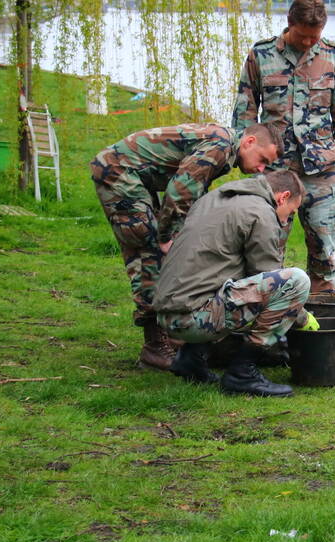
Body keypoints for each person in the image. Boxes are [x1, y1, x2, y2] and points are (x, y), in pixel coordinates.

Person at [90, 122, 281, 371]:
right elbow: (180, 190)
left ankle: (174, 334)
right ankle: (155, 346)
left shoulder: (223, 144)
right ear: (250, 142)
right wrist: (167, 236)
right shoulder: (221, 145)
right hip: (118, 173)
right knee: (149, 256)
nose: (261, 169)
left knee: (157, 252)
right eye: (262, 160)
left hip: (134, 175)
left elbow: (194, 190)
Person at [232, 0, 335, 295]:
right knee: (267, 247)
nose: (309, 42)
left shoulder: (333, 56)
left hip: (321, 171)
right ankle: (268, 319)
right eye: (303, 36)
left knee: (324, 249)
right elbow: (245, 109)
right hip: (274, 170)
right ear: (289, 25)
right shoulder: (261, 55)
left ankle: (322, 319)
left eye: (315, 36)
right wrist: (248, 158)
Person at [153, 171, 313, 398]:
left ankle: (190, 360)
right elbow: (268, 276)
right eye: (291, 212)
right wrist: (303, 318)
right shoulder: (261, 213)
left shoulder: (216, 198)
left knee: (227, 275)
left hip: (166, 315)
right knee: (296, 281)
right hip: (192, 319)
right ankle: (243, 373)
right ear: (283, 197)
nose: (286, 220)